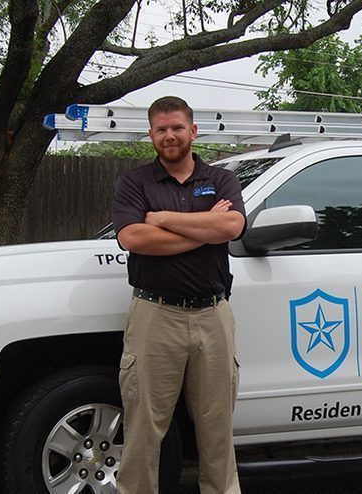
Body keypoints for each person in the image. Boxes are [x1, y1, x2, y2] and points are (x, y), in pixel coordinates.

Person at [111, 96, 245, 494]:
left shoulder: (222, 180)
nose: (169, 136)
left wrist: (165, 220)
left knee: (217, 426)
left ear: (193, 131)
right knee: (143, 427)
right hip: (155, 314)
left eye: (177, 128)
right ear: (151, 134)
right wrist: (206, 228)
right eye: (161, 129)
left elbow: (232, 227)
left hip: (213, 314)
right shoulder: (134, 183)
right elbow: (133, 237)